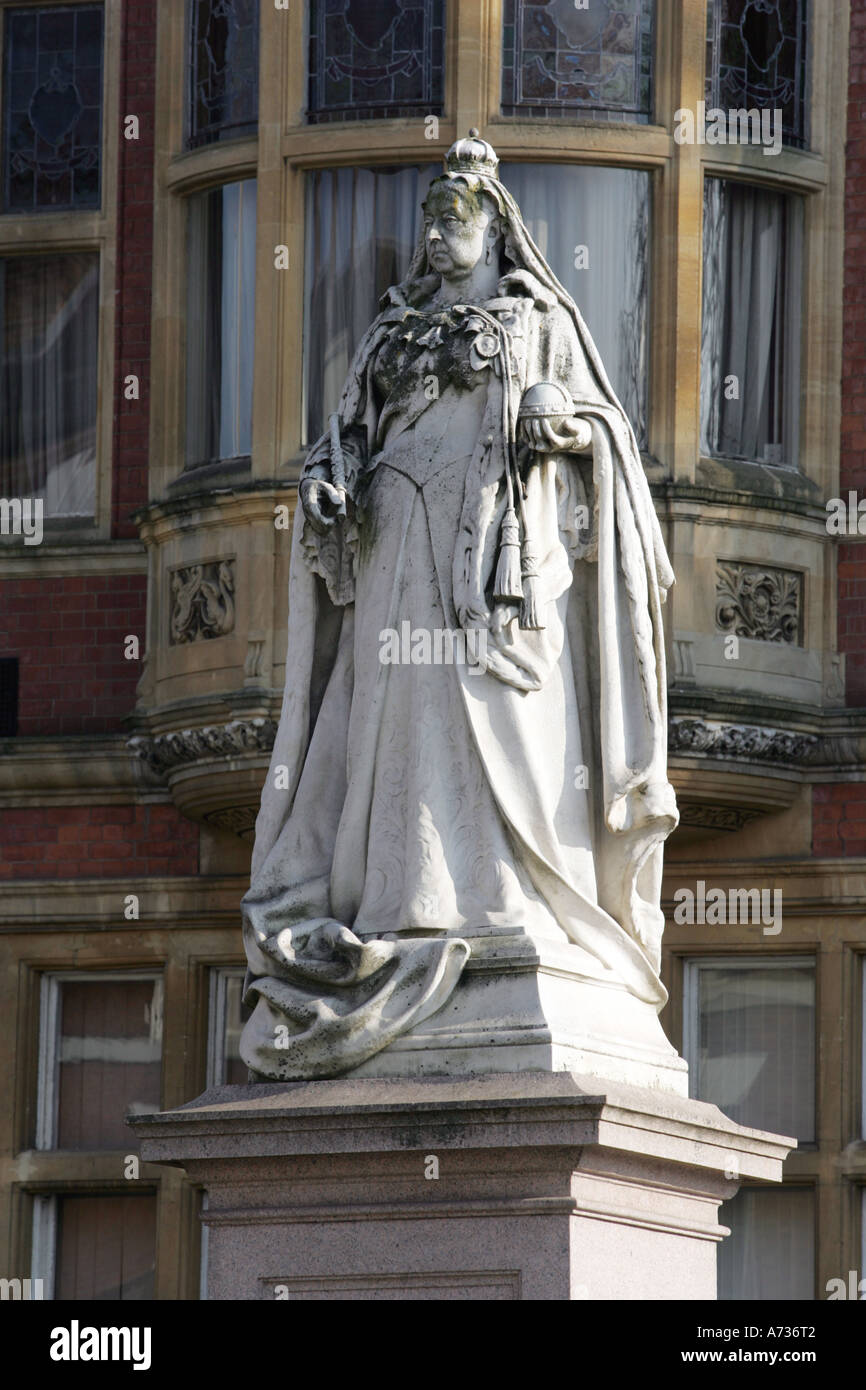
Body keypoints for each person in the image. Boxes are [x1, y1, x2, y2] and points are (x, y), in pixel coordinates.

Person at [239, 132, 678, 1080]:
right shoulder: (390, 332)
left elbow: (603, 429)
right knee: (398, 724)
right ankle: (405, 899)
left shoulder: (537, 320)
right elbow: (346, 441)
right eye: (430, 222)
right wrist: (327, 483)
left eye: (457, 220)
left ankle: (504, 896)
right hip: (397, 540)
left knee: (500, 732)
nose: (439, 237)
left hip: (492, 561)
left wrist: (561, 423)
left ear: (496, 230)